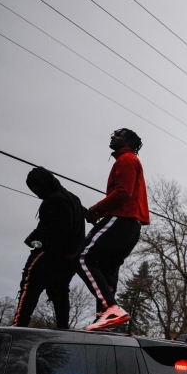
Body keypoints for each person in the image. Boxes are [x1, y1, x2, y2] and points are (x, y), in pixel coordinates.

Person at [78, 128, 150, 331]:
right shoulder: (131, 160)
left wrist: (97, 209)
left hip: (121, 219)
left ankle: (110, 308)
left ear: (129, 141)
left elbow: (123, 192)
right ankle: (104, 319)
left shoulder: (126, 159)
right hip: (132, 227)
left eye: (118, 134)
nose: (113, 136)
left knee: (82, 257)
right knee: (107, 268)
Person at [13, 167, 85, 329]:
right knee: (59, 293)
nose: (35, 190)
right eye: (32, 187)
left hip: (49, 255)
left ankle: (18, 327)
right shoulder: (73, 198)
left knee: (29, 287)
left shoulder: (56, 199)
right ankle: (62, 329)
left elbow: (58, 226)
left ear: (47, 182)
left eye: (38, 185)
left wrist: (33, 237)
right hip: (68, 259)